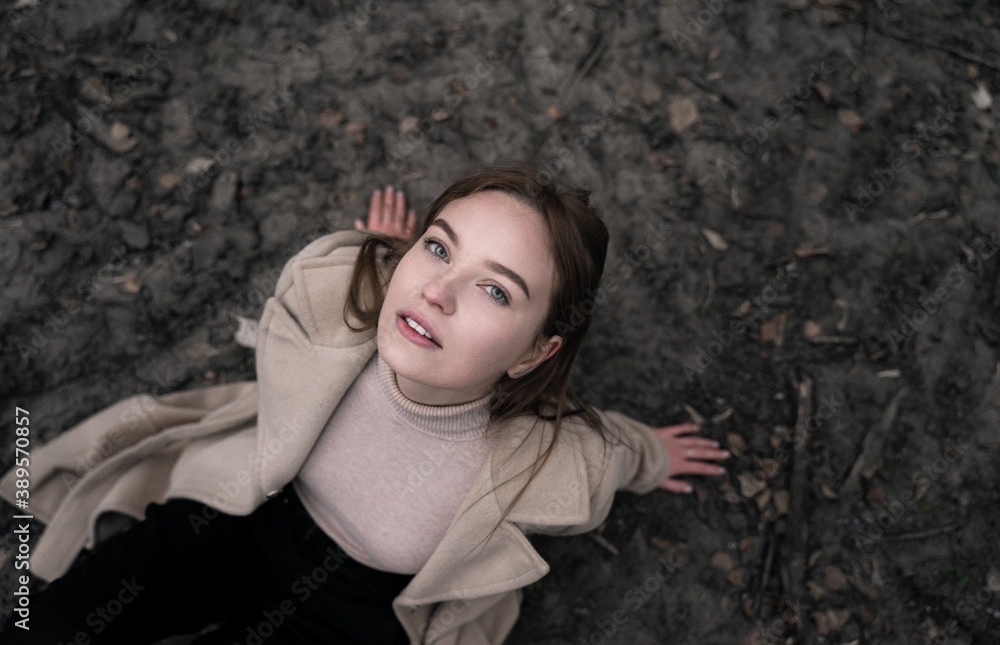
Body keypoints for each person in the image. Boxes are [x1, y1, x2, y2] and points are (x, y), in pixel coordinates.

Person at [0, 163, 729, 644]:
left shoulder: (553, 459)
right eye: (438, 248)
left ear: (535, 352)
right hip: (244, 515)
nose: (436, 291)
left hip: (354, 613)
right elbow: (374, 281)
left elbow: (609, 454)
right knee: (52, 624)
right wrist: (384, 251)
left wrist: (654, 455)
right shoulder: (340, 299)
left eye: (495, 288)